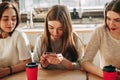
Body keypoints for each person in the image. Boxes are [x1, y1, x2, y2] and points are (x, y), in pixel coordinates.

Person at [33, 5, 84, 70]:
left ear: (67, 27)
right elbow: (34, 64)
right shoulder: (41, 39)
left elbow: (82, 65)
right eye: (51, 28)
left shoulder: (74, 38)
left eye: (60, 29)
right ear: (46, 26)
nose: (55, 33)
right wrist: (43, 65)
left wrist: (64, 62)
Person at [81, 0, 120, 79]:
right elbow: (85, 61)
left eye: (117, 20)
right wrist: (104, 74)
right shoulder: (100, 32)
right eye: (108, 19)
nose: (111, 24)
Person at [0, 2, 31, 78]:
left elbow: (28, 62)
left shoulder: (19, 35)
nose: (10, 23)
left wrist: (7, 70)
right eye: (5, 19)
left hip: (16, 76)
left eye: (14, 19)